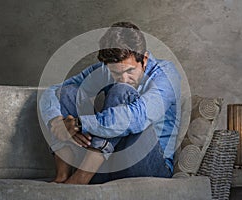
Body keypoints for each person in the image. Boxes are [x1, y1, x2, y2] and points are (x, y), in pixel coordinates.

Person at [39, 21, 181, 184]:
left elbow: (137, 117)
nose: (124, 78)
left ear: (145, 59)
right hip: (108, 165)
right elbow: (53, 91)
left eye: (130, 71)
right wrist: (57, 122)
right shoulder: (105, 71)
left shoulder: (166, 74)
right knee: (67, 92)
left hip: (148, 167)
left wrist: (79, 124)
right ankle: (62, 177)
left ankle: (80, 179)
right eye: (115, 72)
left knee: (121, 91)